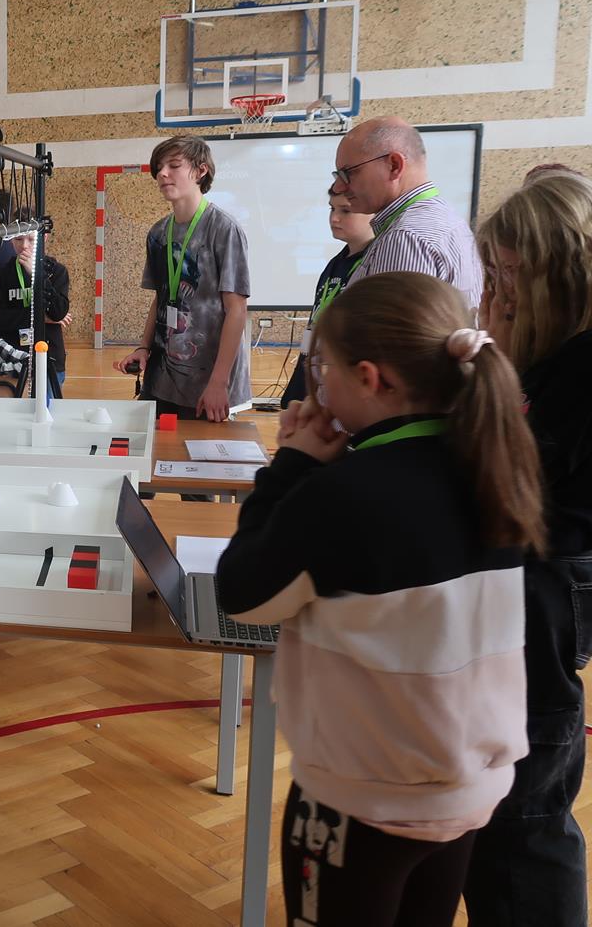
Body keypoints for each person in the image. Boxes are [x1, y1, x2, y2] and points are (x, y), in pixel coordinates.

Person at [215, 272, 541, 927]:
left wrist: (292, 465)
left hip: (362, 802)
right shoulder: (497, 463)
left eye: (323, 370)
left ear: (369, 378)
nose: (316, 386)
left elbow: (242, 595)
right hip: (468, 788)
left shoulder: (341, 495)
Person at [463, 172, 592, 926]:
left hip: (541, 605)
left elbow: (513, 483)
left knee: (527, 817)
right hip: (522, 598)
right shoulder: (551, 358)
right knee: (506, 815)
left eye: (509, 275)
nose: (497, 293)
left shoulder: (581, 368)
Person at [112, 135, 251, 423]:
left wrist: (219, 383)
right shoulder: (158, 234)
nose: (162, 174)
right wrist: (143, 347)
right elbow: (161, 298)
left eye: (174, 166)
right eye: (159, 168)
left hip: (208, 384)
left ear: (201, 171)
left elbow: (236, 310)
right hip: (161, 379)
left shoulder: (223, 229)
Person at [330, 115, 482, 307]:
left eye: (348, 173)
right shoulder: (445, 219)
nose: (338, 187)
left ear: (394, 165)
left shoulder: (406, 237)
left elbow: (391, 326)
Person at [281, 194, 376, 406]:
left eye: (345, 211)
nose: (334, 218)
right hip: (313, 366)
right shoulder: (336, 262)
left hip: (338, 375)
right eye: (332, 209)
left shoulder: (372, 265)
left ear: (374, 214)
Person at [0, 216, 70, 397]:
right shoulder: (2, 276)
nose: (24, 246)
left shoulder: (57, 271)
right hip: (12, 358)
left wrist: (37, 276)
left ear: (44, 238)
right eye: (18, 239)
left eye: (31, 239)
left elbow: (58, 312)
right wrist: (39, 317)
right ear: (11, 240)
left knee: (46, 409)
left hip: (49, 356)